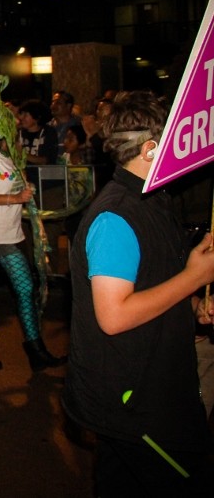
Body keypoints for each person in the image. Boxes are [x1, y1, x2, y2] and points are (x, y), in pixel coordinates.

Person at [62, 90, 214, 496]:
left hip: (152, 386)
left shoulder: (154, 198)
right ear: (150, 149)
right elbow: (114, 316)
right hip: (134, 398)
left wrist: (195, 307)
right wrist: (195, 278)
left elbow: (154, 278)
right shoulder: (115, 217)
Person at [0, 109, 66, 371]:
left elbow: (15, 190)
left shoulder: (12, 157)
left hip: (9, 234)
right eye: (12, 123)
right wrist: (15, 198)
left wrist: (24, 193)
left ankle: (35, 349)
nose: (18, 125)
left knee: (25, 287)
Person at [16, 99, 58, 166]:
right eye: (22, 114)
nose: (22, 118)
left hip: (42, 174)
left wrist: (22, 153)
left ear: (36, 117)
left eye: (26, 115)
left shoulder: (48, 132)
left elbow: (46, 160)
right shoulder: (18, 133)